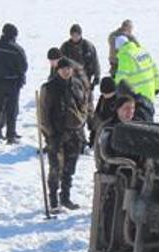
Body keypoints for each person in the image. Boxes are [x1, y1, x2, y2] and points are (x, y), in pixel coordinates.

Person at [39, 58, 88, 211]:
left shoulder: (78, 85)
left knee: (69, 168)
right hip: (57, 135)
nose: (66, 71)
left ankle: (65, 197)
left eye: (68, 68)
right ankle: (53, 199)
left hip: (75, 133)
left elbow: (84, 105)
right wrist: (49, 134)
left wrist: (81, 120)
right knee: (56, 168)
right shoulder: (49, 88)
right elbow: (43, 114)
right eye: (63, 69)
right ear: (58, 70)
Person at [0, 23, 28, 143]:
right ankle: (10, 134)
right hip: (13, 82)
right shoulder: (16, 49)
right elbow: (23, 66)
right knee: (11, 109)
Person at [114, 35, 159, 118]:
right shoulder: (142, 51)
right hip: (150, 92)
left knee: (140, 122)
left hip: (137, 95)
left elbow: (121, 78)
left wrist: (116, 90)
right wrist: (157, 87)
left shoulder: (125, 56)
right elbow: (155, 70)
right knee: (149, 117)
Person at [60, 24, 100, 103]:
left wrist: (97, 76)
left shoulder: (88, 46)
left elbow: (95, 62)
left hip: (86, 78)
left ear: (80, 34)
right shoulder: (65, 47)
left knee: (87, 99)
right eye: (73, 35)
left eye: (77, 35)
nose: (75, 37)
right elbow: (60, 63)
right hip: (70, 78)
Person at [88, 76, 117, 148]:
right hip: (102, 129)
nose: (106, 96)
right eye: (104, 93)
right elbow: (96, 118)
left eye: (108, 93)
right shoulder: (102, 99)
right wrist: (92, 140)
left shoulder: (118, 100)